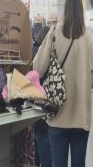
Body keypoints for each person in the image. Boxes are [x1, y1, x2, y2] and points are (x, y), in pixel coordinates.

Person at [33, 0, 93, 167]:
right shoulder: (87, 37)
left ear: (65, 9)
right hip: (81, 116)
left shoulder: (54, 32)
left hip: (58, 116)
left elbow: (38, 68)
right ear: (80, 9)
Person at [32, 26, 52, 167]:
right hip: (44, 109)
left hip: (31, 111)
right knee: (46, 156)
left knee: (35, 153)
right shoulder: (44, 55)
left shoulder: (30, 52)